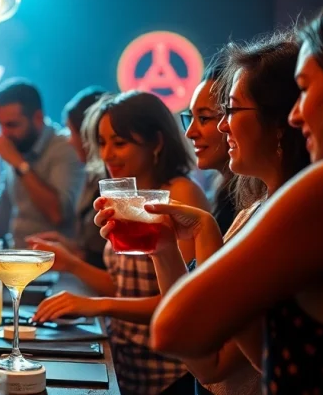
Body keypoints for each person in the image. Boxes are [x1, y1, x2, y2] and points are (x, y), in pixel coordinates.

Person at [150, 3, 323, 395]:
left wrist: (209, 239)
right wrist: (163, 248)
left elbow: (173, 327)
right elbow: (242, 361)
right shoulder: (257, 211)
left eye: (305, 89)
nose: (296, 114)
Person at [111, 33, 308, 395]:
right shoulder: (253, 212)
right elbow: (197, 357)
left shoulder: (296, 227)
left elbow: (211, 364)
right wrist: (163, 246)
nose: (221, 125)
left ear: (282, 121)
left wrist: (205, 232)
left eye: (230, 110)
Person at [33, 91, 210, 395]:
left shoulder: (178, 194)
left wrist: (95, 306)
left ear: (156, 142)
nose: (106, 155)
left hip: (166, 373)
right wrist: (70, 263)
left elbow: (182, 301)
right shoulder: (128, 194)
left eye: (119, 143)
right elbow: (125, 287)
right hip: (126, 365)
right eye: (102, 143)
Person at [0, 79, 84, 245]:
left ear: (37, 118)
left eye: (12, 125)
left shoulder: (64, 147)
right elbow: (0, 212)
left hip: (53, 262)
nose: (4, 134)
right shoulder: (17, 147)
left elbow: (58, 214)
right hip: (16, 255)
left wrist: (20, 165)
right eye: (0, 125)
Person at [27, 86, 110, 269]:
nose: (69, 140)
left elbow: (112, 273)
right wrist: (68, 247)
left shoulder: (114, 185)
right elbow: (97, 255)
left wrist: (71, 260)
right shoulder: (94, 177)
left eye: (71, 132)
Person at [181, 52, 239, 235]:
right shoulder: (224, 193)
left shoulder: (256, 201)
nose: (190, 132)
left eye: (204, 118)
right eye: (190, 118)